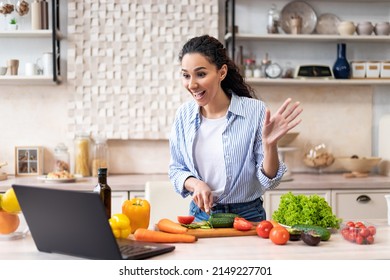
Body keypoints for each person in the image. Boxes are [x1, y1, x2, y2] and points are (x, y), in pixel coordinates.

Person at [168, 35, 303, 222]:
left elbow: (269, 181)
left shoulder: (255, 111)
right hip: (201, 214)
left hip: (248, 215)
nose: (192, 84)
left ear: (221, 73)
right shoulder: (184, 115)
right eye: (186, 75)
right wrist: (196, 184)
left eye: (201, 74)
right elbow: (176, 169)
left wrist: (270, 145)